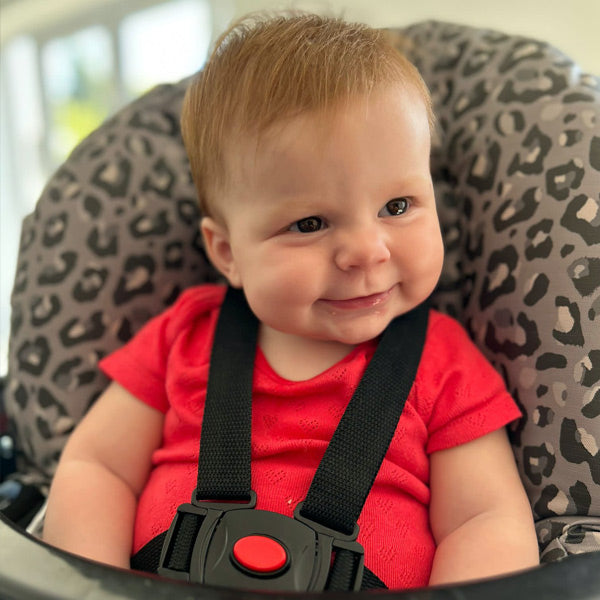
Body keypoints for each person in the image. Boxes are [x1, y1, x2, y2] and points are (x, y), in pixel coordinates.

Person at [43, 12, 540, 590]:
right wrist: (91, 586)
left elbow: (486, 520)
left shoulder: (446, 363)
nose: (365, 251)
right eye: (309, 223)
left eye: (397, 206)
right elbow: (96, 467)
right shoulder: (185, 336)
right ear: (227, 252)